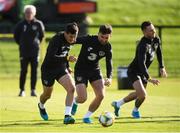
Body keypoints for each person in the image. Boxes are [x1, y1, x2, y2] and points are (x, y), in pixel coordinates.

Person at [111, 21, 168, 119]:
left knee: (139, 94)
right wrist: (149, 78)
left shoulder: (156, 39)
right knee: (143, 95)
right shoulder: (143, 45)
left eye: (154, 29)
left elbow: (159, 52)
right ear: (144, 32)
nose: (154, 32)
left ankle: (118, 104)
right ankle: (135, 111)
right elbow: (141, 64)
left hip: (142, 72)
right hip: (134, 71)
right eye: (151, 30)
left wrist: (162, 67)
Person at [38, 22, 79, 124]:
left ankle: (67, 116)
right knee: (47, 95)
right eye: (70, 37)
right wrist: (67, 59)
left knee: (72, 88)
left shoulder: (71, 39)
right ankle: (41, 105)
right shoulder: (56, 39)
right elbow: (51, 57)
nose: (72, 39)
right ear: (65, 33)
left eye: (74, 37)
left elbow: (65, 52)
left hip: (61, 68)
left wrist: (68, 66)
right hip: (48, 69)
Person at [71, 24, 113, 123]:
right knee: (82, 98)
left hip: (95, 70)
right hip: (81, 70)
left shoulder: (108, 47)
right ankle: (74, 102)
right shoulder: (89, 39)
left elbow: (109, 63)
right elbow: (72, 40)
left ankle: (87, 117)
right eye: (102, 37)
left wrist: (109, 77)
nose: (103, 39)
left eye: (106, 38)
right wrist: (67, 56)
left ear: (110, 36)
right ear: (98, 34)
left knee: (101, 95)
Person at [14, 5, 45, 97]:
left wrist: (35, 44)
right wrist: (22, 44)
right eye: (27, 12)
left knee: (34, 71)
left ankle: (33, 90)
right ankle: (22, 90)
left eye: (30, 12)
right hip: (24, 51)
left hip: (35, 51)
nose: (28, 14)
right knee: (23, 70)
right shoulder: (20, 24)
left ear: (34, 13)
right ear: (24, 13)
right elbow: (16, 37)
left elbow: (41, 36)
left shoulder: (38, 24)